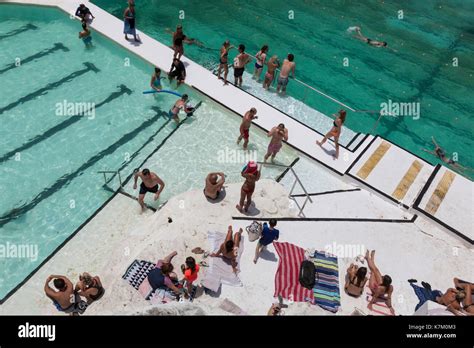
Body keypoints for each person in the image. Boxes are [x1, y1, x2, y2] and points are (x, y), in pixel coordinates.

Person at [365, 250, 395, 315]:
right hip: (381, 286)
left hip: (374, 288)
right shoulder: (391, 287)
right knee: (376, 270)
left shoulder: (379, 288)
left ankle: (368, 258)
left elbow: (375, 296)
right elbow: (389, 297)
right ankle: (372, 259)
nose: (382, 276)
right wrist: (390, 306)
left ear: (383, 281)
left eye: (383, 277)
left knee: (373, 271)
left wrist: (370, 304)